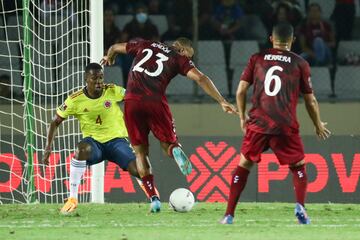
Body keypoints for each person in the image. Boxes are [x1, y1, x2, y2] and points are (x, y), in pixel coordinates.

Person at [102, 37, 237, 212]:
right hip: (155, 102)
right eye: (189, 55)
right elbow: (201, 78)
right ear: (181, 48)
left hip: (132, 101)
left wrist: (109, 57)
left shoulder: (145, 44)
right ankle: (173, 149)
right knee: (168, 144)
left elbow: (114, 46)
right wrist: (221, 101)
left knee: (140, 153)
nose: (190, 60)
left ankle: (154, 199)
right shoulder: (178, 58)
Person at [220, 22, 331, 225]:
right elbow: (310, 100)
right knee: (298, 166)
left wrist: (242, 116)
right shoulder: (300, 63)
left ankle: (229, 215)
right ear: (293, 41)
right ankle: (300, 207)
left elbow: (240, 91)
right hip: (285, 124)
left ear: (271, 39)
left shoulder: (257, 58)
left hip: (259, 123)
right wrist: (317, 124)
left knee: (244, 164)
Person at [42, 63, 157, 214]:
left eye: (101, 78)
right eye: (94, 78)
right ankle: (72, 198)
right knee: (81, 149)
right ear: (86, 79)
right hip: (94, 144)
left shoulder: (112, 90)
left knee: (137, 168)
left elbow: (134, 97)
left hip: (117, 142)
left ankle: (152, 195)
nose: (98, 82)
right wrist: (48, 147)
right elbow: (54, 122)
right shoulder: (74, 99)